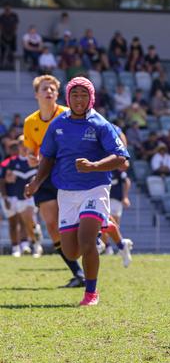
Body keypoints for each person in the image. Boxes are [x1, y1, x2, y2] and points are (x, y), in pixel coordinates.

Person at [25, 76, 130, 306]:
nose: (79, 99)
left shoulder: (101, 124)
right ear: (68, 98)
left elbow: (121, 158)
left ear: (91, 97)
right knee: (71, 252)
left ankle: (91, 293)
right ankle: (104, 228)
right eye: (75, 94)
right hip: (67, 192)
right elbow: (48, 157)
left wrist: (94, 166)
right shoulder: (58, 124)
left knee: (86, 240)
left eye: (84, 94)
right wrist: (36, 182)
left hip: (95, 188)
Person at [23, 75, 86, 287]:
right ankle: (78, 274)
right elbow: (31, 153)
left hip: (67, 173)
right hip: (43, 176)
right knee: (51, 224)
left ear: (58, 94)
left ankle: (97, 242)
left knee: (74, 220)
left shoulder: (67, 115)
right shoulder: (30, 122)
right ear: (36, 94)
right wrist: (32, 158)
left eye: (52, 89)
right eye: (44, 88)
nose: (48, 91)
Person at [1, 138, 40, 257]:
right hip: (12, 196)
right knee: (13, 223)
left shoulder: (35, 162)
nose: (23, 147)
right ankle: (16, 247)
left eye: (26, 145)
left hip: (28, 197)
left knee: (26, 220)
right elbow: (2, 180)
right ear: (17, 146)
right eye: (21, 144)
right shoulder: (9, 162)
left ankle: (29, 244)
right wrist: (5, 196)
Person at [0, 3, 19, 69]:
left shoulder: (14, 16)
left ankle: (11, 65)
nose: (7, 10)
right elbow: (1, 27)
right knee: (3, 50)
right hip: (4, 36)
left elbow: (15, 26)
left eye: (8, 9)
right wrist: (4, 35)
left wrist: (12, 35)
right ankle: (2, 64)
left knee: (12, 51)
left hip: (12, 36)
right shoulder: (2, 16)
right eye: (6, 9)